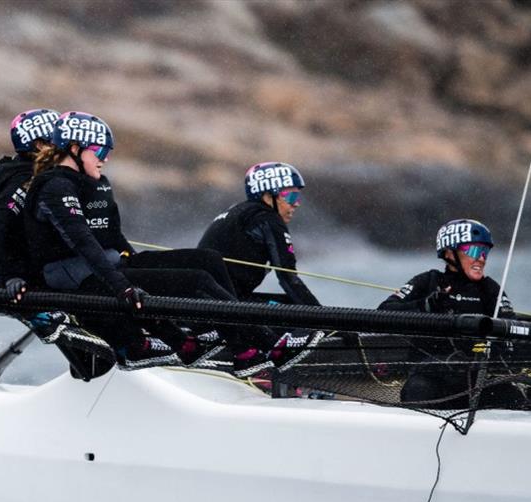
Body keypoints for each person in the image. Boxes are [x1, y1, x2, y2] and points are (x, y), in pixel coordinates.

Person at [24, 111, 281, 371]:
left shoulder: (94, 183)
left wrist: (142, 266)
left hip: (107, 268)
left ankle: (219, 335)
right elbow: (83, 243)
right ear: (75, 149)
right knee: (197, 282)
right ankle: (265, 346)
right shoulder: (55, 187)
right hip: (79, 280)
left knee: (207, 261)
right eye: (100, 151)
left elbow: (113, 237)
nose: (106, 158)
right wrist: (124, 287)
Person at [378, 219, 523, 409]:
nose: (481, 258)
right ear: (449, 253)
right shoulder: (427, 281)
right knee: (418, 389)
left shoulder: (489, 289)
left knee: (514, 396)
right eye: (473, 251)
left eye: (484, 251)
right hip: (431, 378)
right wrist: (426, 305)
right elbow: (384, 312)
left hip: (476, 380)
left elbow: (511, 325)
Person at [198, 162, 320, 305]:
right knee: (296, 308)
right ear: (268, 197)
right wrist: (326, 321)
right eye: (291, 197)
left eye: (297, 197)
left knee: (291, 304)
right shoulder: (267, 218)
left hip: (204, 299)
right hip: (223, 306)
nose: (296, 203)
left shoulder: (237, 211)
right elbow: (288, 278)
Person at [0, 108, 60, 297]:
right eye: (58, 140)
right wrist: (10, 275)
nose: (65, 145)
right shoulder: (25, 177)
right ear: (39, 145)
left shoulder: (12, 168)